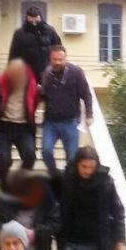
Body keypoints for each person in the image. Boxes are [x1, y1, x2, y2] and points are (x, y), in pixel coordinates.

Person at [41, 45, 94, 196]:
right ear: (50, 59)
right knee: (46, 151)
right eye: (55, 59)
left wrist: (89, 114)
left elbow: (86, 94)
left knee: (71, 158)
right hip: (50, 122)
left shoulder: (76, 72)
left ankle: (70, 186)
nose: (57, 62)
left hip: (70, 122)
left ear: (65, 58)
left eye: (60, 59)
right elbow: (43, 94)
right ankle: (56, 176)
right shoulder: (46, 73)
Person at [0, 167, 60, 250]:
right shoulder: (3, 201)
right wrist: (8, 231)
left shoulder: (47, 201)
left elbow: (55, 224)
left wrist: (35, 233)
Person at [0, 60, 39, 192]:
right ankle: (4, 185)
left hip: (23, 127)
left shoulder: (31, 84)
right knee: (4, 160)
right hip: (2, 127)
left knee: (30, 155)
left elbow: (35, 100)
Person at [8, 7, 62, 83]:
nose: (34, 23)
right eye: (31, 20)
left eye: (36, 19)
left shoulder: (50, 31)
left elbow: (58, 48)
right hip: (27, 72)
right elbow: (14, 54)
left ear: (40, 17)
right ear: (27, 18)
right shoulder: (20, 33)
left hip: (47, 70)